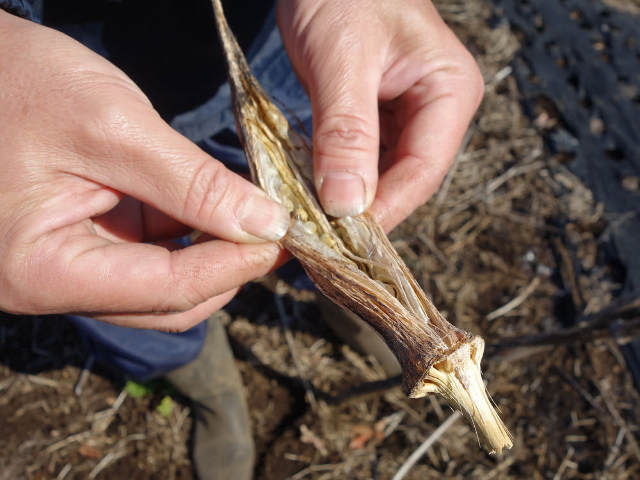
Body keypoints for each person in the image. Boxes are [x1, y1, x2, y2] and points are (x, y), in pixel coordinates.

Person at [0, 0, 484, 478]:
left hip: (271, 40)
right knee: (112, 261)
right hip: (53, 79)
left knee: (328, 184)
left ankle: (357, 305)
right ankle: (193, 369)